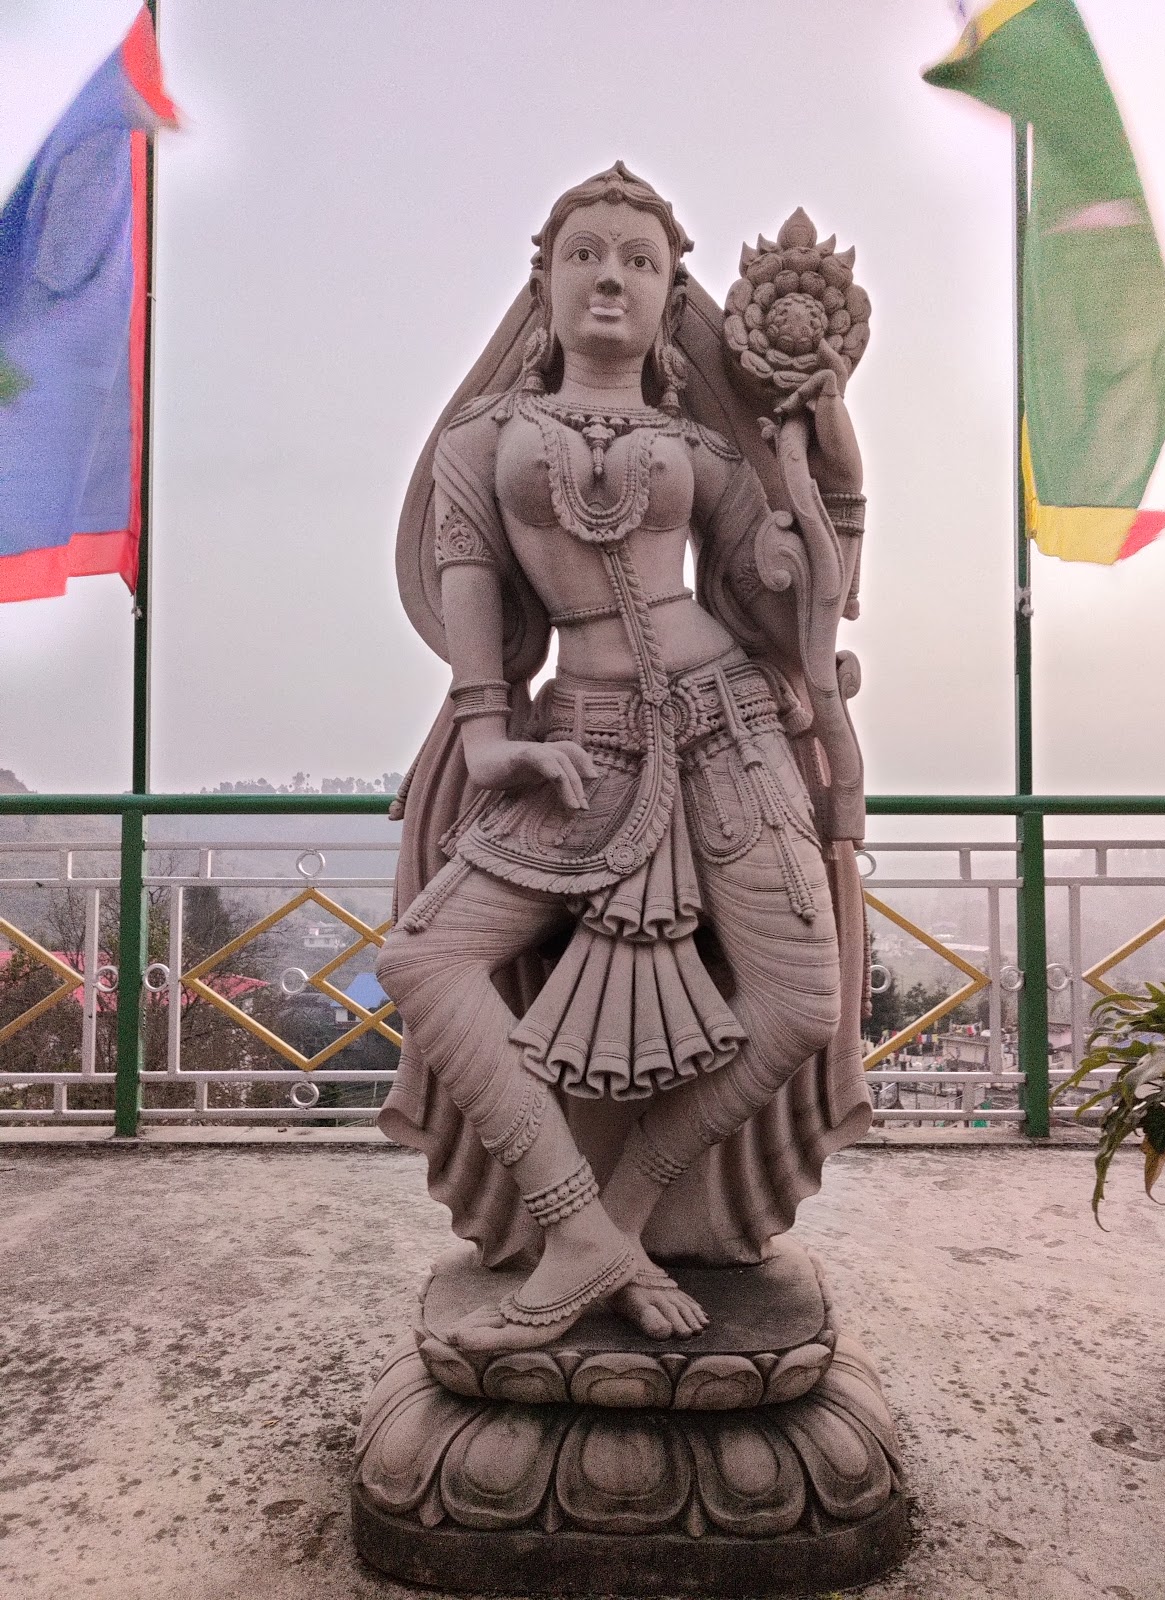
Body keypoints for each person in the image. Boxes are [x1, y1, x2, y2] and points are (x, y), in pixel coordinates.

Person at [376, 163, 873, 1354]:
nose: (612, 276)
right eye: (585, 254)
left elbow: (785, 582)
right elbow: (466, 578)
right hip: (581, 746)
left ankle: (621, 1219)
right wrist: (491, 733)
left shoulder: (698, 446)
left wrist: (818, 448)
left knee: (803, 1001)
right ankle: (573, 1223)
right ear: (542, 284)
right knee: (426, 962)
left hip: (728, 732)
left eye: (641, 261)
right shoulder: (482, 441)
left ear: (669, 296)